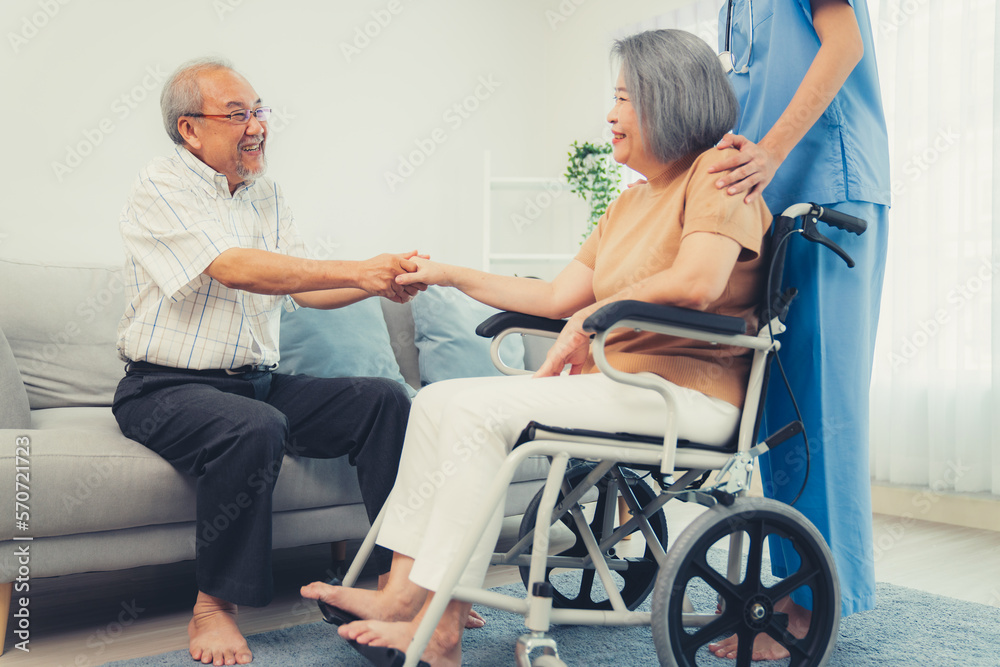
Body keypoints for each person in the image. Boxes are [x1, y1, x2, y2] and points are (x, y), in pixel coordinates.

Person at [300, 29, 771, 666]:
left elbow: (699, 281)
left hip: (686, 395)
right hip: (623, 386)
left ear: (671, 100)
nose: (610, 114)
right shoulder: (630, 201)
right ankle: (402, 595)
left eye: (624, 98)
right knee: (435, 401)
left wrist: (594, 318)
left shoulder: (716, 178)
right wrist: (448, 273)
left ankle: (439, 629)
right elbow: (554, 296)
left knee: (473, 413)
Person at [112, 57, 424, 666]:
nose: (256, 126)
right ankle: (213, 608)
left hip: (255, 383)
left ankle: (394, 587)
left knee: (385, 399)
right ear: (189, 130)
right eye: (237, 115)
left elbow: (305, 291)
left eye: (258, 111)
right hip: (162, 389)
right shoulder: (160, 186)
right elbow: (233, 266)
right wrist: (355, 268)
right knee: (256, 427)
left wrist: (377, 283)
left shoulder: (268, 195)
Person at [705, 0, 890, 661]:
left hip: (829, 185)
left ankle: (819, 602)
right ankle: (787, 586)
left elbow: (843, 45)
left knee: (822, 404)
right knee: (775, 403)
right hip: (769, 195)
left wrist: (772, 150)